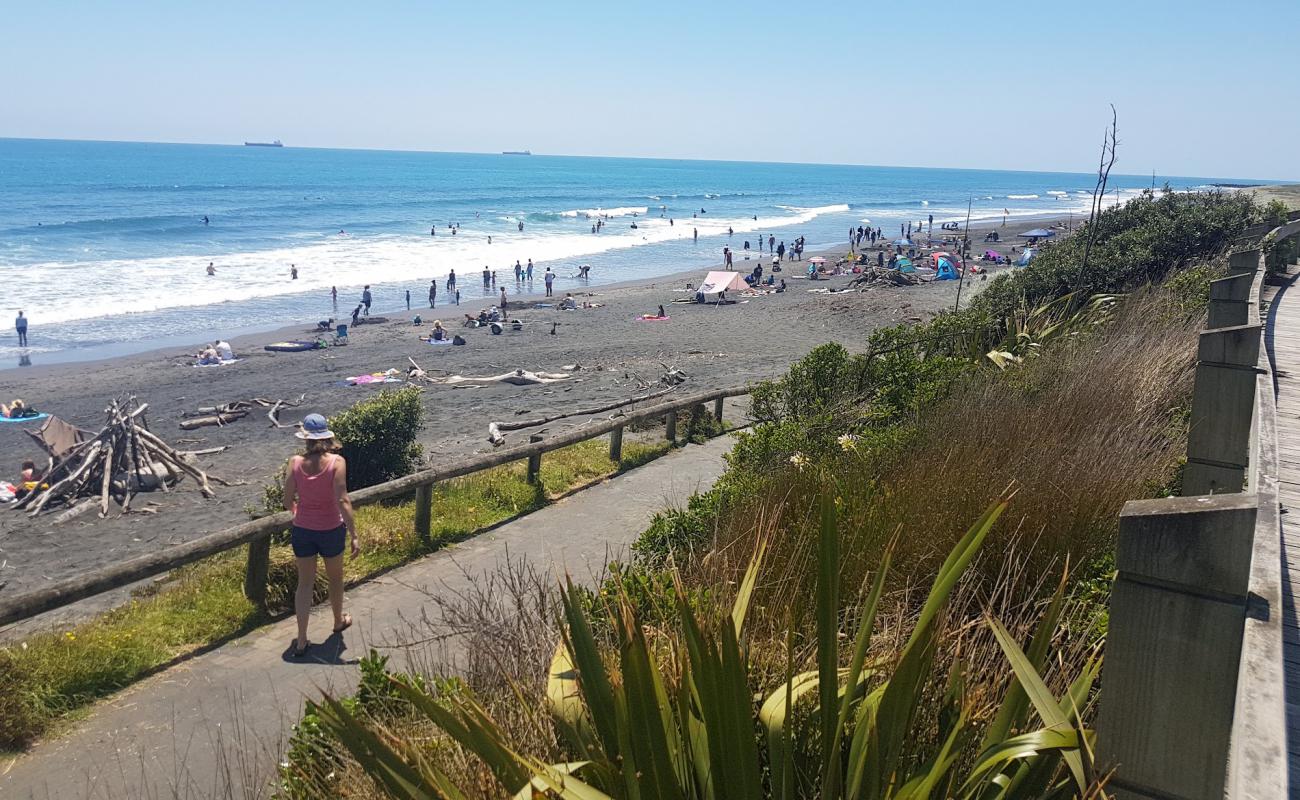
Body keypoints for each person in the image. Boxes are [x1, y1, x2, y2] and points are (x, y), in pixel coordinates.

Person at [282, 414, 359, 658]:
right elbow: (343, 499)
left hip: (303, 529)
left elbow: (286, 499)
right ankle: (337, 621)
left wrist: (297, 512)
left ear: (305, 438)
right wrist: (354, 533)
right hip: (330, 529)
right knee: (335, 579)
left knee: (304, 584)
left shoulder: (294, 462)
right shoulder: (337, 462)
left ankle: (302, 639)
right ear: (327, 436)